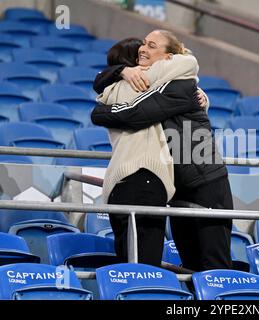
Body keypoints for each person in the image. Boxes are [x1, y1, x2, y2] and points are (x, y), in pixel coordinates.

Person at [92, 30, 233, 272]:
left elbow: (135, 114)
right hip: (180, 185)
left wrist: (99, 114)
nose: (143, 50)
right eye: (142, 45)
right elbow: (104, 81)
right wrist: (121, 71)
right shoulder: (159, 83)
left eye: (151, 45)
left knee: (214, 265)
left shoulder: (180, 86)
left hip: (205, 183)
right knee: (191, 265)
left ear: (168, 57)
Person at [99, 37, 200, 267]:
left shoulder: (111, 91)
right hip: (143, 179)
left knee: (128, 262)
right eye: (142, 53)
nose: (146, 55)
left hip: (119, 184)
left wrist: (118, 71)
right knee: (144, 269)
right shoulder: (141, 82)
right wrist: (129, 70)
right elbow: (188, 63)